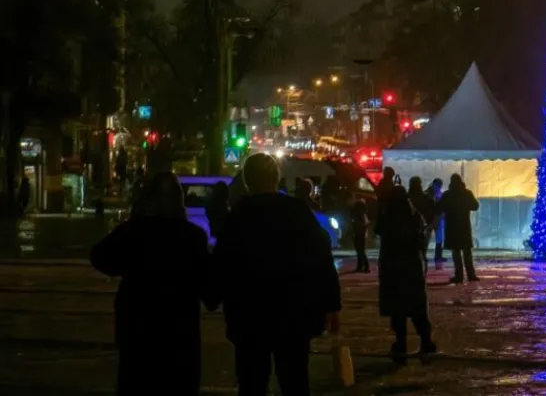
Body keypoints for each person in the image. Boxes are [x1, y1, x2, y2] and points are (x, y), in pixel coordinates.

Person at [214, 153, 342, 396]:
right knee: (295, 382)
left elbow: (223, 262)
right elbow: (321, 255)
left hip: (249, 315)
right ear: (276, 178)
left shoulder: (240, 215)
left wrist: (212, 294)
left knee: (252, 384)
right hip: (293, 313)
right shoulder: (296, 211)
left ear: (247, 181)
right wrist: (331, 305)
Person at [90, 172, 217, 395]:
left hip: (138, 328)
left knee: (137, 382)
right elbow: (210, 288)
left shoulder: (134, 231)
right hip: (179, 333)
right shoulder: (192, 237)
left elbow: (100, 257)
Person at [376, 185, 436, 360]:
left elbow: (378, 230)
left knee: (398, 310)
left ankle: (401, 343)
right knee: (417, 307)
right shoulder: (414, 215)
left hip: (393, 267)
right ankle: (426, 340)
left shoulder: (388, 216)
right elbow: (421, 237)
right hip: (411, 266)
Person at [436, 174, 479, 284]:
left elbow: (439, 207)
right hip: (464, 227)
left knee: (456, 253)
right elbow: (475, 206)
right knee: (467, 252)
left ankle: (459, 276)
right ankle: (471, 275)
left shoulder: (448, 195)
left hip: (452, 227)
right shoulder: (467, 193)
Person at [425, 178, 446, 266]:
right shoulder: (428, 194)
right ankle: (436, 255)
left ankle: (438, 255)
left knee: (438, 238)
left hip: (436, 218)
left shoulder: (430, 193)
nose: (439, 187)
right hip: (433, 218)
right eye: (438, 185)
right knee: (429, 237)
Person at [351, 199, 371, 273]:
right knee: (360, 251)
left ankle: (365, 267)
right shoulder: (362, 214)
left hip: (359, 235)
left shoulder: (360, 215)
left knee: (361, 251)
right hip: (360, 235)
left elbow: (362, 225)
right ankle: (361, 266)